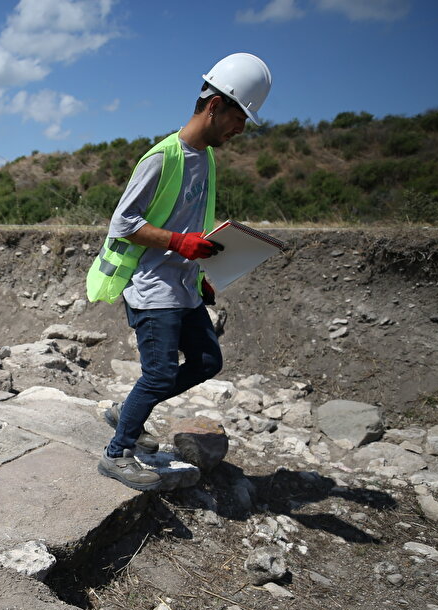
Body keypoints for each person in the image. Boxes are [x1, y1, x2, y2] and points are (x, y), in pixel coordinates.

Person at [86, 53, 273, 491]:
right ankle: (117, 454)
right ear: (215, 105)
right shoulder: (162, 157)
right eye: (239, 118)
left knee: (207, 361)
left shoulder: (206, 158)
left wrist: (201, 265)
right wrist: (178, 242)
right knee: (160, 374)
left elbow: (192, 221)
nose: (240, 129)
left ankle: (127, 412)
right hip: (152, 288)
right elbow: (123, 223)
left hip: (183, 284)